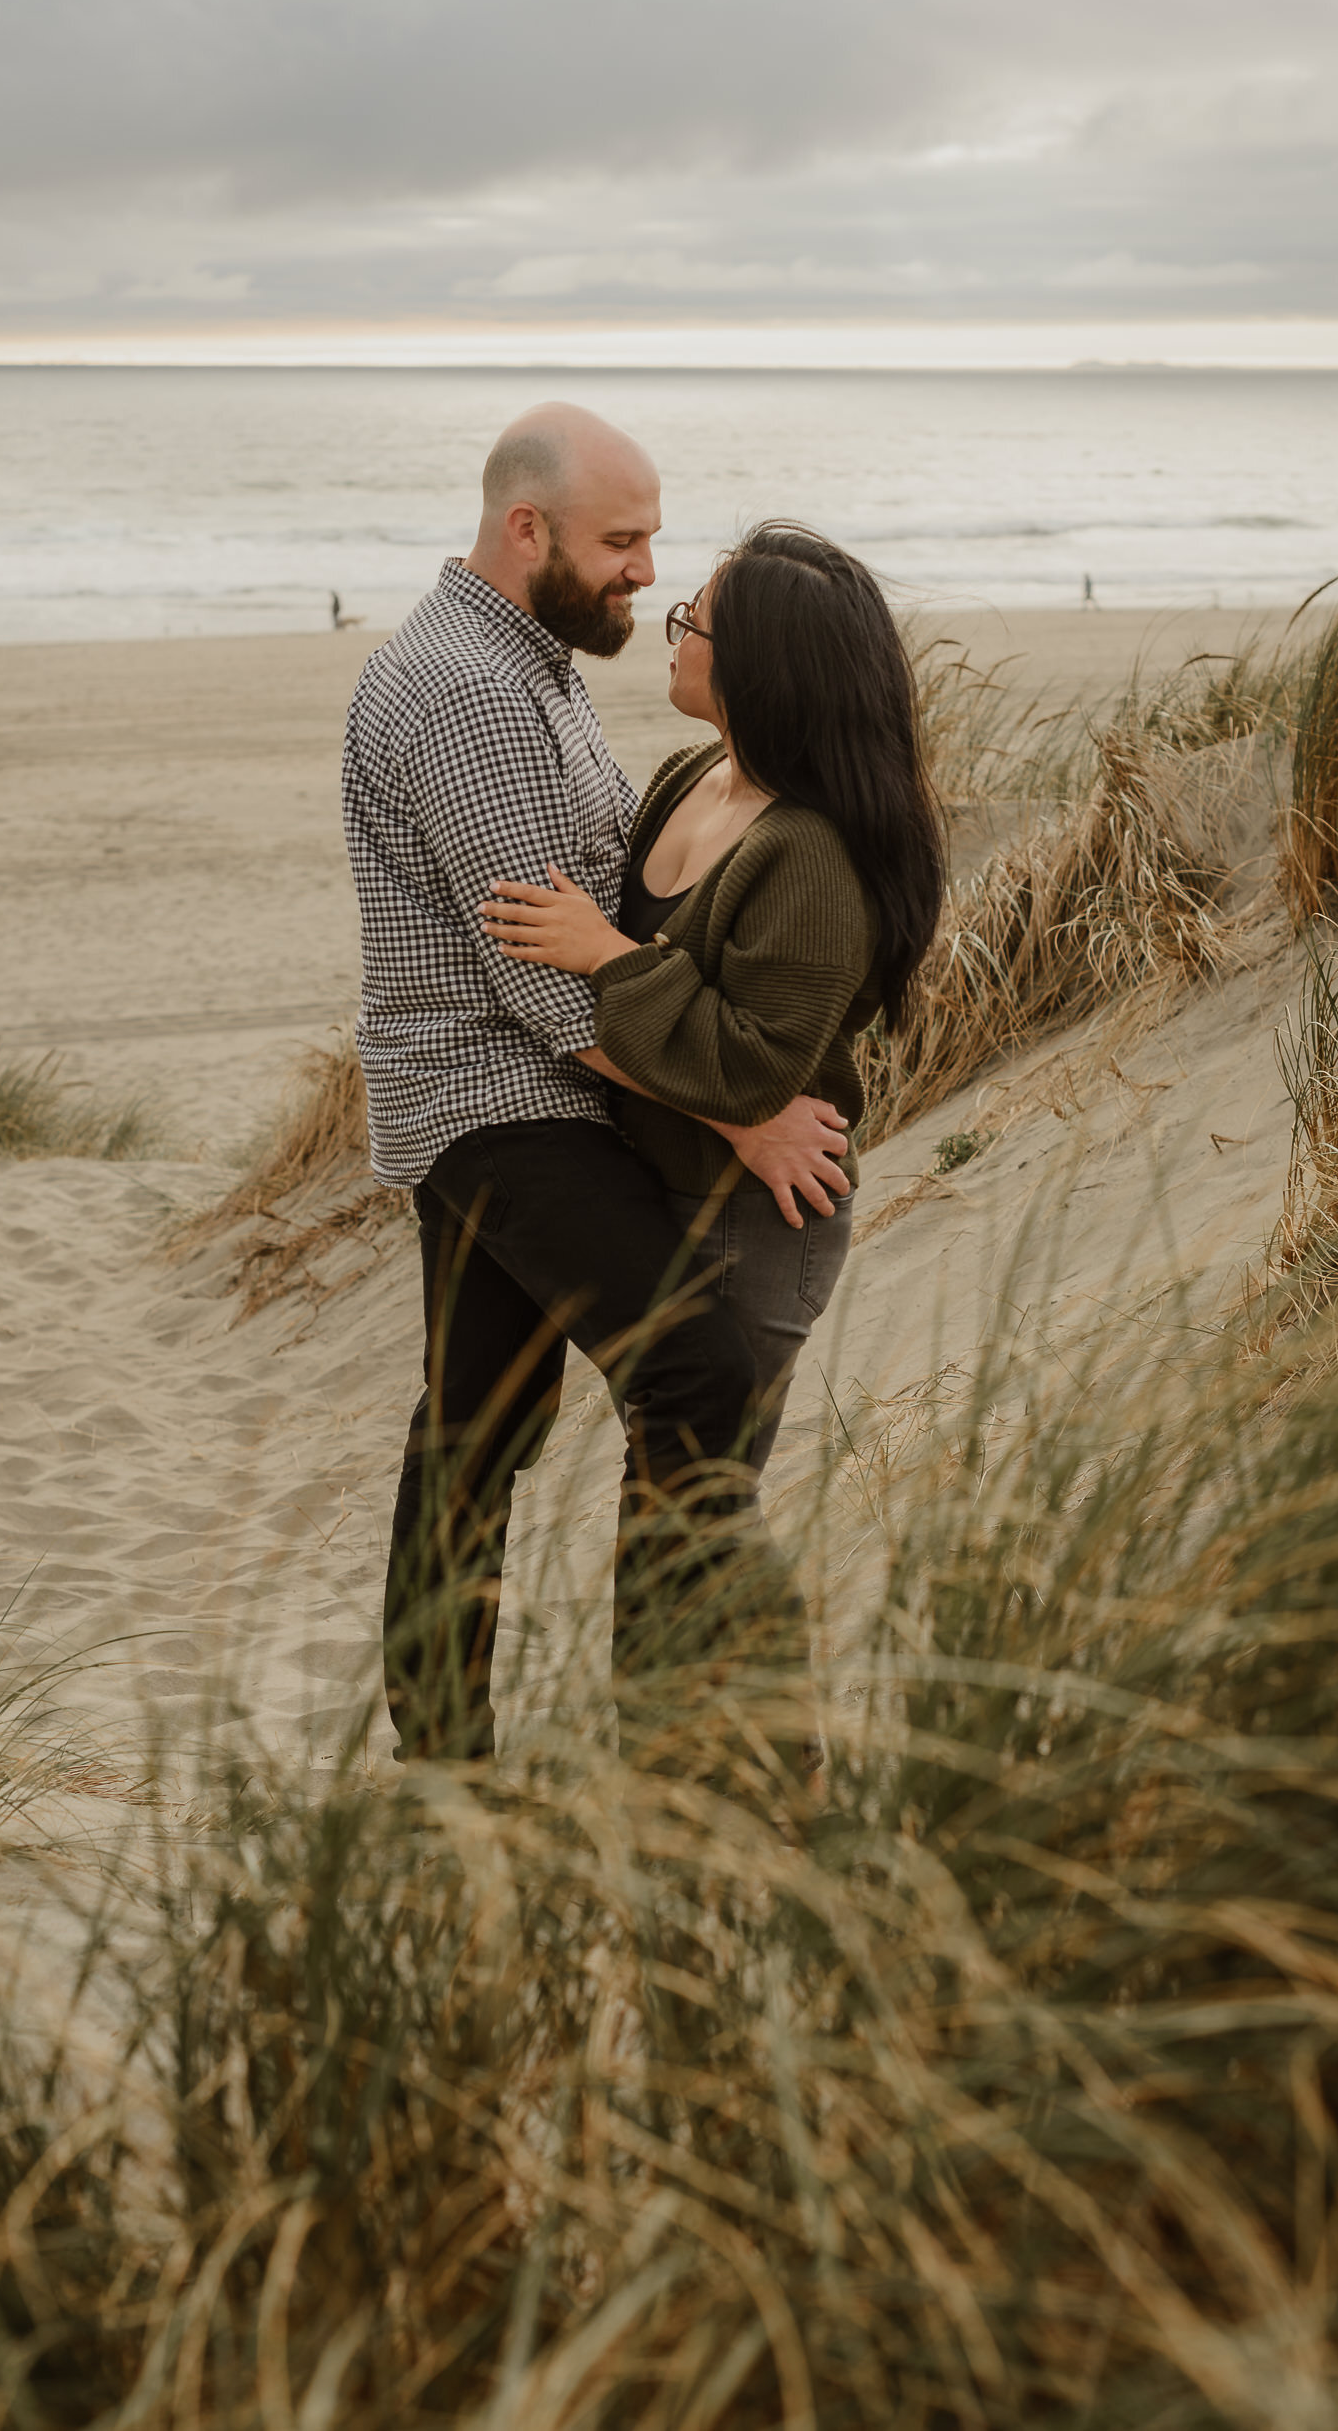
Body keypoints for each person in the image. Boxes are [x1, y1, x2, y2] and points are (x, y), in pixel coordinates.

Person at [340, 407, 852, 1762]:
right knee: (695, 1364)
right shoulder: (473, 694)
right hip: (505, 1103)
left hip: (495, 1096)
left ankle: (444, 1748)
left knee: (474, 1427)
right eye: (621, 542)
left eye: (650, 542)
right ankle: (704, 1718)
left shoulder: (531, 665)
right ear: (528, 530)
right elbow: (542, 988)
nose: (643, 571)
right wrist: (739, 1115)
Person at [481, 520, 945, 1491]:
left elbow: (752, 1066)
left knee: (690, 1501)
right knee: (673, 1487)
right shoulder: (689, 778)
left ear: (756, 667)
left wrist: (608, 957)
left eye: (693, 620)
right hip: (659, 1185)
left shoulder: (809, 853)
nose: (675, 627)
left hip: (757, 1217)